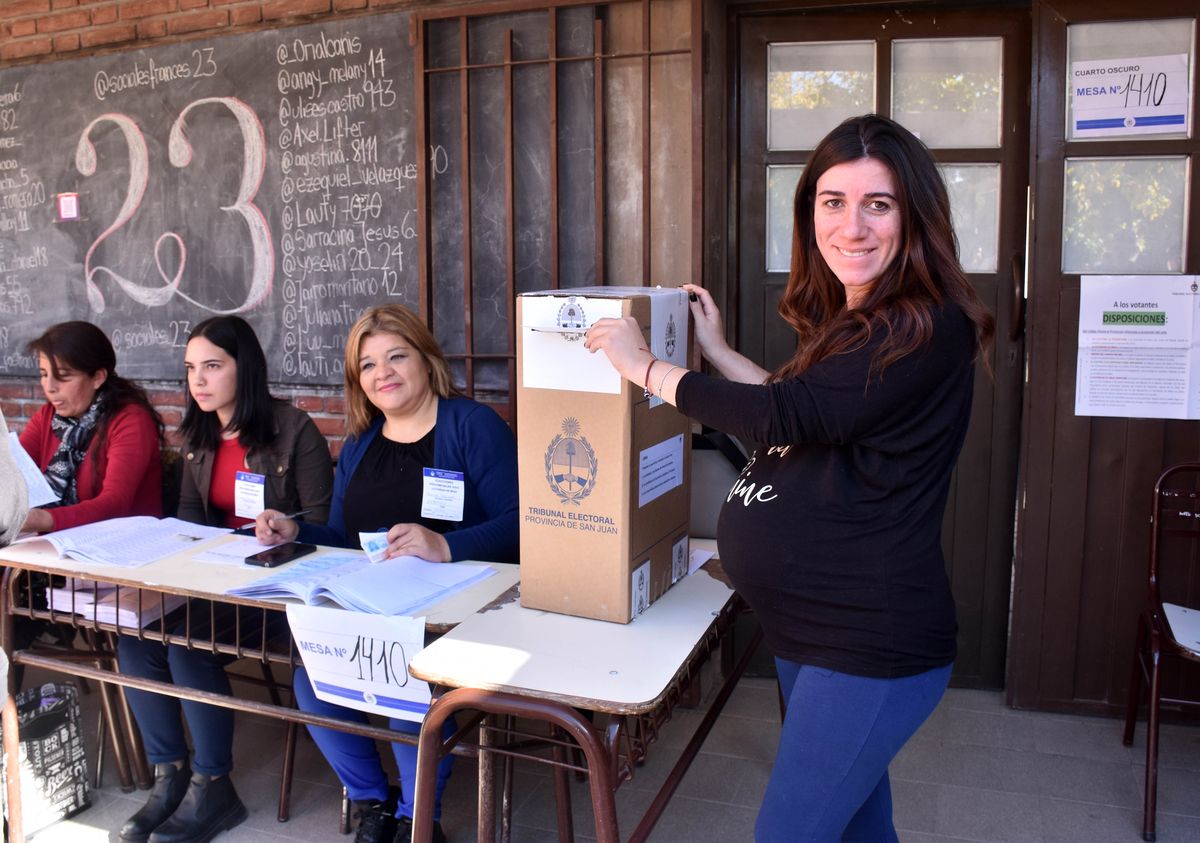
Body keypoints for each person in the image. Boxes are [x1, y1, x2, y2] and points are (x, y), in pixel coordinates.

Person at [585, 114, 993, 842]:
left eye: (878, 204)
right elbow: (806, 413)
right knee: (860, 828)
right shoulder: (863, 320)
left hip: (866, 640)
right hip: (812, 632)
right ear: (810, 213)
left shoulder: (924, 324)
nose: (852, 226)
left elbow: (785, 413)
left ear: (915, 216)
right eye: (833, 201)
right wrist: (717, 352)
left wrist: (644, 367)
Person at [256, 303, 519, 843]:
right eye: (368, 364)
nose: (383, 373)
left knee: (402, 680)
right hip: (373, 610)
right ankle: (374, 803)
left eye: (396, 356)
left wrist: (446, 544)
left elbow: (523, 523)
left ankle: (418, 820)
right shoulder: (361, 441)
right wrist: (296, 531)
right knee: (312, 680)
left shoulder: (471, 426)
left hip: (457, 614)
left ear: (426, 359)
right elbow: (344, 535)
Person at [116, 316, 334, 843]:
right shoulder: (200, 436)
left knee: (188, 647)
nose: (199, 380)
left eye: (212, 366)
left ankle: (213, 785)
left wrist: (288, 528)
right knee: (134, 637)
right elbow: (191, 525)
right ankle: (170, 775)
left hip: (277, 590)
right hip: (213, 585)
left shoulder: (294, 429)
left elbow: (327, 527)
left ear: (245, 368)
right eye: (191, 368)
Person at [19, 321, 163, 533]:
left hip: (126, 542)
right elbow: (14, 473)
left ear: (97, 377)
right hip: (59, 541)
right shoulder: (47, 416)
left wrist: (42, 519)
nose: (49, 387)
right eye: (44, 374)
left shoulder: (130, 419)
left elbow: (115, 504)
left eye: (63, 376)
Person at [1, 409, 29, 547]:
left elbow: (104, 505)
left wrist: (47, 519)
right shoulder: (47, 416)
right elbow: (24, 460)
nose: (53, 400)